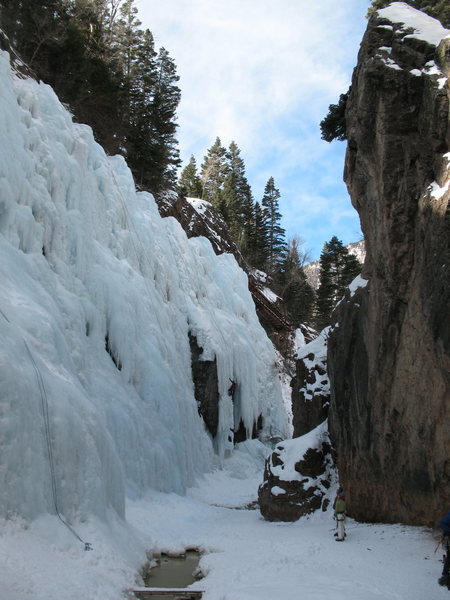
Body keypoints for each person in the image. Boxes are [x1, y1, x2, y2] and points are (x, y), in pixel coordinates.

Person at [438, 510, 450, 588]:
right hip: (448, 538)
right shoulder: (449, 516)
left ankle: (445, 573)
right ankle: (445, 573)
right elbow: (441, 523)